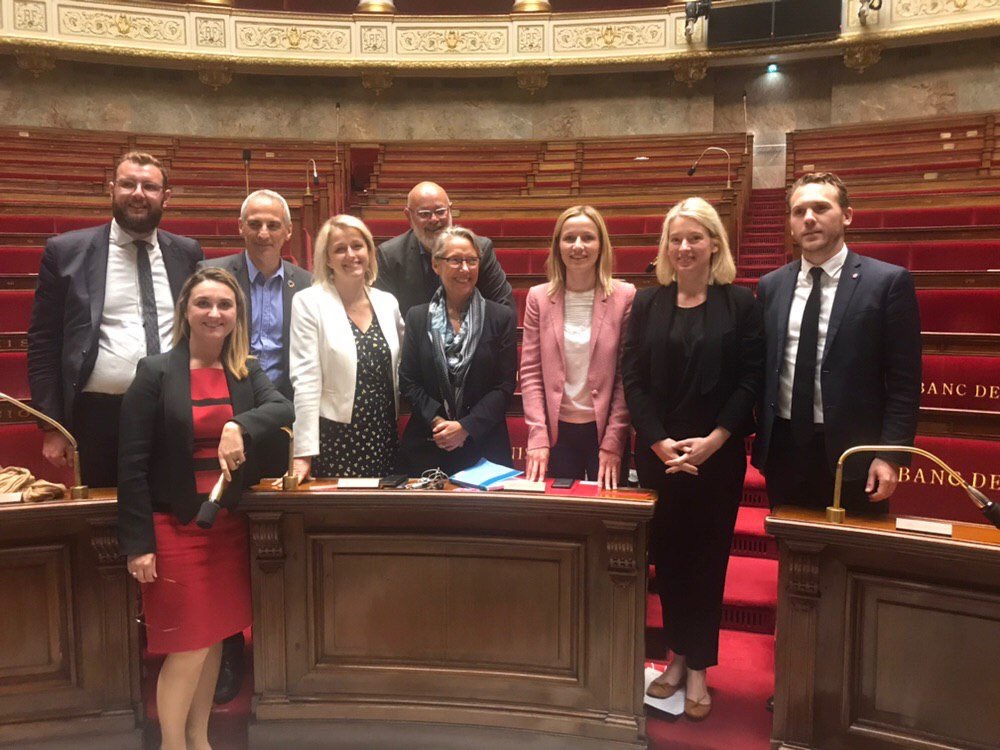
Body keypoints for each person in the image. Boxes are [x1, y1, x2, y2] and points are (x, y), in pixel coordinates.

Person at [117, 267, 293, 750]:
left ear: (237, 315)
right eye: (204, 304)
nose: (214, 313)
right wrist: (138, 545)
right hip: (173, 527)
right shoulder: (154, 371)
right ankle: (172, 745)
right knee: (187, 646)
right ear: (186, 311)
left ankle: (200, 739)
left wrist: (239, 423)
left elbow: (282, 409)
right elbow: (130, 465)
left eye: (225, 305)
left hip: (225, 527)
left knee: (214, 637)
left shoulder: (246, 370)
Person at [622, 198, 763, 721]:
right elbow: (632, 378)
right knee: (670, 560)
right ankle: (675, 659)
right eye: (675, 239)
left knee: (706, 562)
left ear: (714, 245)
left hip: (716, 457)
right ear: (666, 247)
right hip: (660, 457)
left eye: (695, 238)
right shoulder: (646, 304)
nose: (684, 248)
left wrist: (717, 438)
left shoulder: (740, 304)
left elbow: (752, 378)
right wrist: (658, 441)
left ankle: (699, 667)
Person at [27, 152, 203, 487]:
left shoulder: (187, 252)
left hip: (172, 411)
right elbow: (43, 343)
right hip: (99, 417)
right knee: (104, 523)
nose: (138, 193)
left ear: (166, 197)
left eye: (149, 186)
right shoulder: (66, 252)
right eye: (128, 184)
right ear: (111, 189)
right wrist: (52, 427)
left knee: (172, 513)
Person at [752, 172, 921, 515]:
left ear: (847, 215)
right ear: (790, 224)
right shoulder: (771, 286)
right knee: (793, 557)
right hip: (784, 450)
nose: (809, 218)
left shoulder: (886, 282)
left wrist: (889, 455)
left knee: (852, 562)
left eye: (820, 208)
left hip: (854, 457)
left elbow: (904, 382)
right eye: (799, 212)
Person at [199, 190, 311, 702]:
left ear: (289, 232)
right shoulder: (214, 275)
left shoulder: (307, 284)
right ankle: (225, 654)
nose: (264, 233)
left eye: (273, 225)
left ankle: (280, 651)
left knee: (279, 539)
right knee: (221, 539)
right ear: (239, 227)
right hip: (224, 415)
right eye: (255, 224)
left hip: (285, 423)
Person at [520, 205, 635, 489]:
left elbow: (625, 377)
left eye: (588, 237)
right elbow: (531, 373)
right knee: (559, 522)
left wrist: (613, 440)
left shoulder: (625, 296)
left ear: (601, 245)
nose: (578, 246)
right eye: (569, 238)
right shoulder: (539, 298)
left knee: (606, 521)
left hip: (605, 433)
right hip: (558, 434)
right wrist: (537, 436)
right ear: (558, 245)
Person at [289, 215, 404, 481]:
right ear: (327, 258)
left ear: (369, 251)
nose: (351, 255)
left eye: (357, 246)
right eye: (340, 249)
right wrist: (303, 453)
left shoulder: (387, 303)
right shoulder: (309, 302)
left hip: (383, 433)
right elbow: (305, 380)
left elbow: (401, 366)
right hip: (336, 437)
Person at [396, 226, 517, 476]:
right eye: (455, 260)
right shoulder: (418, 317)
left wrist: (465, 427)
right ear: (436, 265)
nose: (465, 269)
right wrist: (438, 422)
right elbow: (408, 380)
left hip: (485, 446)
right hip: (429, 442)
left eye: (471, 260)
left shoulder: (500, 317)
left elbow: (504, 387)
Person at [374, 181, 514, 316]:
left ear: (450, 210)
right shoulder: (389, 256)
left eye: (440, 211)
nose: (434, 219)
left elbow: (504, 308)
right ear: (409, 216)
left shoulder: (480, 249)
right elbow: (384, 318)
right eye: (424, 214)